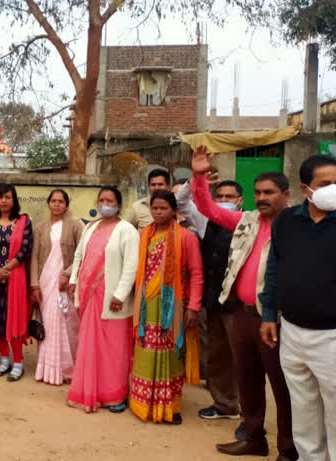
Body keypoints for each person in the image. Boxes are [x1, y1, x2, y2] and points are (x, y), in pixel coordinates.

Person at [191, 145, 297, 461]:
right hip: (242, 314)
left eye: (269, 192)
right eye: (258, 192)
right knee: (248, 380)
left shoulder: (297, 226)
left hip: (276, 320)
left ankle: (289, 453)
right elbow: (207, 207)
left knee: (282, 387)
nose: (262, 198)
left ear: (286, 194)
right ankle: (253, 437)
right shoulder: (247, 220)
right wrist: (198, 175)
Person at [259, 155, 336, 461]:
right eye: (326, 184)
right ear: (305, 189)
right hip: (293, 332)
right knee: (305, 413)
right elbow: (274, 269)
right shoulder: (286, 222)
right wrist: (269, 314)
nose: (335, 190)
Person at [129, 190, 203, 424]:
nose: (158, 212)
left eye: (163, 208)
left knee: (171, 354)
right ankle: (143, 403)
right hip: (145, 305)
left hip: (173, 307)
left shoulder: (186, 237)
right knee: (144, 351)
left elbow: (196, 273)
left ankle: (170, 406)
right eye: (155, 208)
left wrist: (193, 307)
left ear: (174, 211)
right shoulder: (143, 236)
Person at [176, 178, 244, 424]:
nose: (225, 201)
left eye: (230, 197)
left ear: (240, 201)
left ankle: (249, 409)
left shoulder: (250, 222)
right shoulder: (207, 221)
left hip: (240, 303)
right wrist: (196, 179)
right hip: (213, 300)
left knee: (244, 356)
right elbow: (180, 202)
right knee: (217, 353)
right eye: (220, 197)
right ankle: (224, 404)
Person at [67, 186, 138, 411]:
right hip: (89, 296)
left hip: (112, 299)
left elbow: (131, 265)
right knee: (90, 345)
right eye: (101, 200)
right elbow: (79, 255)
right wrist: (73, 280)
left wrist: (120, 294)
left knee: (114, 348)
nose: (104, 204)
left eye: (109, 200)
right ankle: (88, 391)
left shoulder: (127, 230)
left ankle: (115, 394)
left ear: (119, 204)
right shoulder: (91, 226)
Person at [30, 189, 83, 385]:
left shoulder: (76, 226)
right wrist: (34, 284)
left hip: (65, 284)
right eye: (53, 201)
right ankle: (47, 368)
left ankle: (68, 369)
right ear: (48, 203)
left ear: (67, 205)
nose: (57, 204)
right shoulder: (40, 227)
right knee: (49, 325)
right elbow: (34, 257)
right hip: (45, 283)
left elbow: (81, 254)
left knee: (67, 323)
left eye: (61, 201)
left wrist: (68, 273)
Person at [0, 184, 33, 382]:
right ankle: (4, 361)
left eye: (8, 197)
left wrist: (6, 270)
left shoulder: (23, 222)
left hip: (14, 278)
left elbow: (25, 250)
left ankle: (18, 363)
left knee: (15, 319)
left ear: (14, 201)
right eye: (0, 197)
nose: (3, 201)